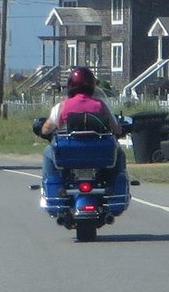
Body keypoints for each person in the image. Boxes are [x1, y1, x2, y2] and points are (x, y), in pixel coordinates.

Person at [36, 67, 123, 202]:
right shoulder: (100, 105)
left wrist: (43, 129)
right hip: (98, 153)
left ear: (70, 85)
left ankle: (52, 189)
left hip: (69, 153)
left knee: (48, 152)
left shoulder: (63, 106)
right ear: (92, 85)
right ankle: (115, 186)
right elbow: (116, 129)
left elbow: (46, 129)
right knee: (119, 153)